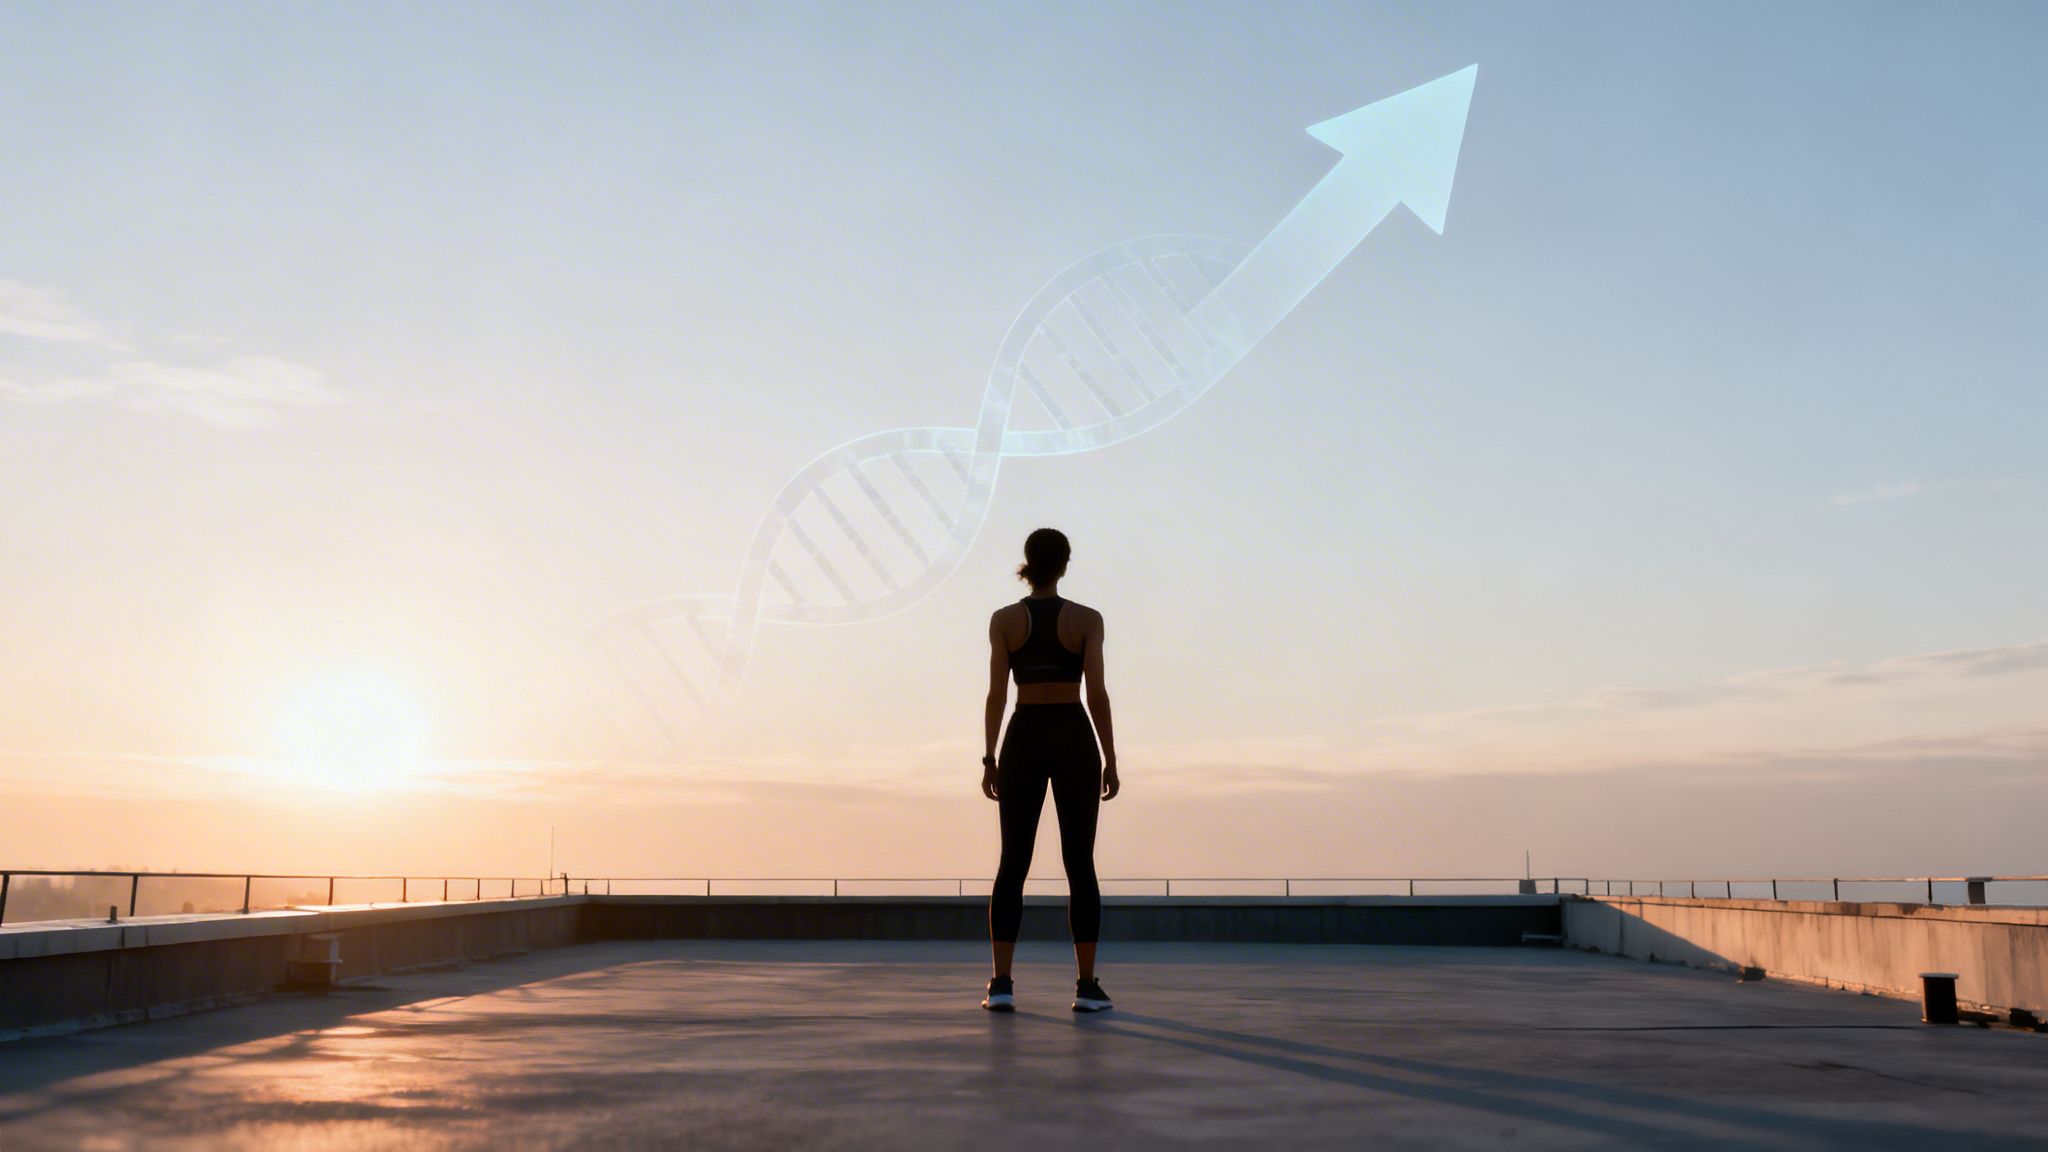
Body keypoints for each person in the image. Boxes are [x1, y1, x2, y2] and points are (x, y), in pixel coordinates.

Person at [980, 527, 1119, 1013]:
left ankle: (1000, 984)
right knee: (1079, 864)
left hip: (1024, 734)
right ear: (1064, 565)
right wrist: (1111, 758)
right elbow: (1096, 693)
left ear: (1028, 562)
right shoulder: (1087, 620)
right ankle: (1085, 987)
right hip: (1072, 735)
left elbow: (997, 694)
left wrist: (990, 756)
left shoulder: (1004, 620)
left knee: (1012, 862)